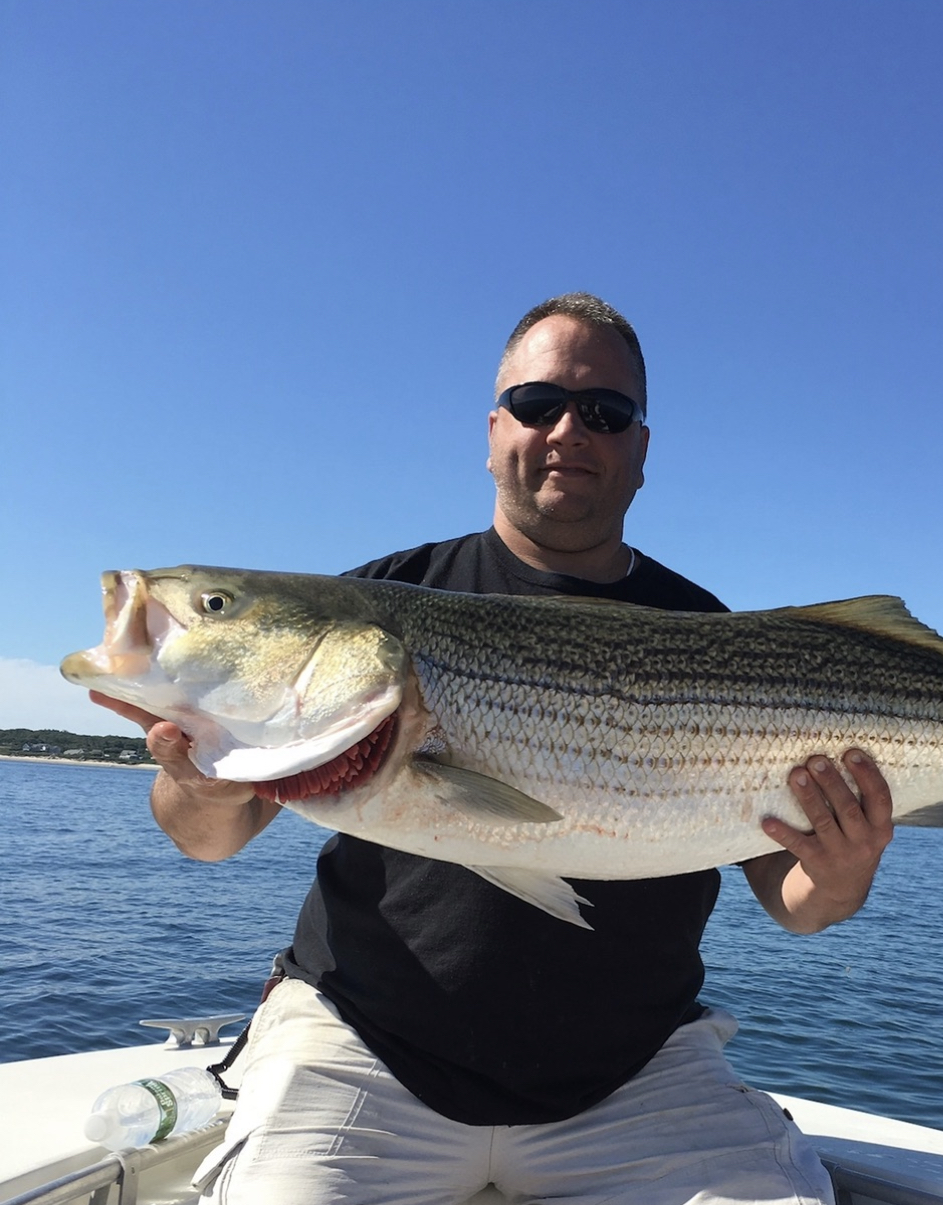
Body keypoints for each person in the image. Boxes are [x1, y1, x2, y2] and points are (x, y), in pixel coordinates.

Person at [94, 293, 894, 1205]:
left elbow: (793, 904)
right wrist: (194, 779)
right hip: (361, 1045)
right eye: (536, 402)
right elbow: (206, 837)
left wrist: (840, 873)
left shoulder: (713, 633)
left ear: (639, 450)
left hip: (637, 1068)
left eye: (604, 411)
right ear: (491, 430)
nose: (567, 428)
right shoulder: (386, 594)